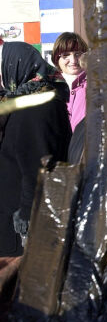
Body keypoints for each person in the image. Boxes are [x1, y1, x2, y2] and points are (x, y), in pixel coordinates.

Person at [0, 41, 71, 258]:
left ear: (15, 66)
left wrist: (27, 216)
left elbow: (38, 166)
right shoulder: (26, 99)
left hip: (21, 229)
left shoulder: (36, 107)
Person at [51, 32, 88, 133]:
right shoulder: (48, 87)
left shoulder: (96, 85)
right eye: (66, 55)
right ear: (56, 59)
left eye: (78, 54)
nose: (73, 60)